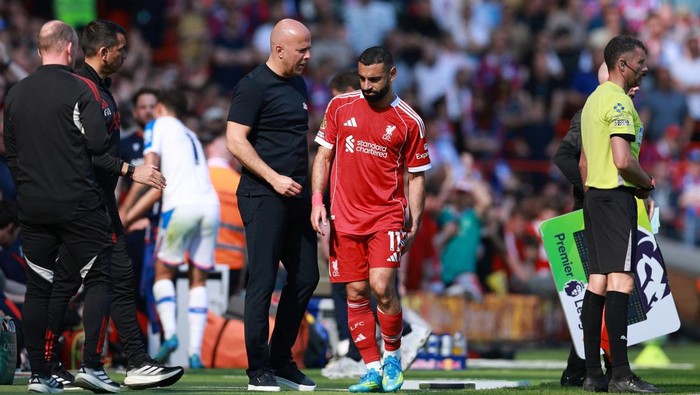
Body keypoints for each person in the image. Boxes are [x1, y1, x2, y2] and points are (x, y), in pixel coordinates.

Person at [45, 20, 183, 392]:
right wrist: (130, 170)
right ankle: (73, 362)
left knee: (109, 280)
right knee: (90, 281)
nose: (125, 54)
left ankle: (132, 361)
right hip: (87, 204)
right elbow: (89, 155)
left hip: (100, 202)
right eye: (120, 49)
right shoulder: (85, 90)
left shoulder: (98, 89)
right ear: (103, 52)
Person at [310, 46, 431, 393]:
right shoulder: (339, 107)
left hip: (386, 217)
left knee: (381, 286)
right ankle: (372, 367)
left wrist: (415, 222)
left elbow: (417, 176)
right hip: (344, 218)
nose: (367, 85)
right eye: (362, 78)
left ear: (392, 76)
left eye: (374, 79)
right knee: (355, 291)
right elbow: (323, 155)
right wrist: (318, 200)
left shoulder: (409, 120)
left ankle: (392, 356)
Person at [3, 20, 114, 393]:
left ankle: (39, 374)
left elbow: (12, 154)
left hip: (32, 206)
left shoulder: (16, 93)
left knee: (39, 288)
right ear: (70, 49)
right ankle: (93, 367)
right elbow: (99, 146)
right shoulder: (80, 88)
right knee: (99, 277)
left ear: (39, 51)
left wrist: (28, 189)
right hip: (77, 203)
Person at [226, 18, 320, 392]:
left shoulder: (298, 83)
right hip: (263, 194)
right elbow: (235, 140)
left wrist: (314, 193)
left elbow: (301, 144)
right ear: (279, 49)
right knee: (263, 281)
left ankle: (282, 359)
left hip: (296, 196)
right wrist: (273, 177)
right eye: (302, 49)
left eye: (309, 48)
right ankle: (258, 368)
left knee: (307, 277)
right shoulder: (252, 86)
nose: (308, 56)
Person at [579, 35, 661, 393]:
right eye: (640, 61)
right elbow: (623, 160)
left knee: (597, 281)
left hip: (595, 197)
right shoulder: (618, 104)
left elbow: (584, 161)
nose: (645, 67)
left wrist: (592, 192)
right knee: (622, 282)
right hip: (616, 195)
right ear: (623, 64)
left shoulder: (594, 99)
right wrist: (647, 184)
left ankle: (593, 375)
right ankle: (622, 375)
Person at [554, 62, 639, 387]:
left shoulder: (604, 106)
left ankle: (587, 370)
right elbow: (566, 156)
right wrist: (590, 187)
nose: (639, 79)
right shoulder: (600, 107)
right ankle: (607, 370)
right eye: (636, 71)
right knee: (611, 283)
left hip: (602, 202)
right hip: (602, 204)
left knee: (600, 283)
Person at [125, 89, 220, 370]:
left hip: (181, 206)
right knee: (198, 278)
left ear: (161, 108)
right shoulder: (190, 134)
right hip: (210, 206)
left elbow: (150, 172)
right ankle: (195, 353)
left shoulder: (158, 125)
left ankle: (172, 334)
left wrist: (126, 215)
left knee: (163, 271)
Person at [205, 133, 246, 297]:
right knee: (223, 319)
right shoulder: (239, 183)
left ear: (209, 149)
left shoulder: (199, 177)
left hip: (197, 260)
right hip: (232, 262)